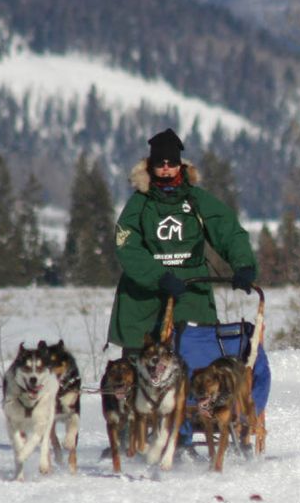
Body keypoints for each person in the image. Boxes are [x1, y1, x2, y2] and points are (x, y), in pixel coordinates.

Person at [107, 127, 257, 356]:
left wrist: (243, 265)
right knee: (142, 368)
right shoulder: (139, 204)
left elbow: (228, 231)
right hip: (146, 295)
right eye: (160, 163)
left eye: (171, 162)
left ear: (180, 165)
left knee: (196, 360)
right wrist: (159, 276)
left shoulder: (197, 199)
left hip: (191, 291)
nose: (166, 168)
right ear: (150, 166)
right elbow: (127, 247)